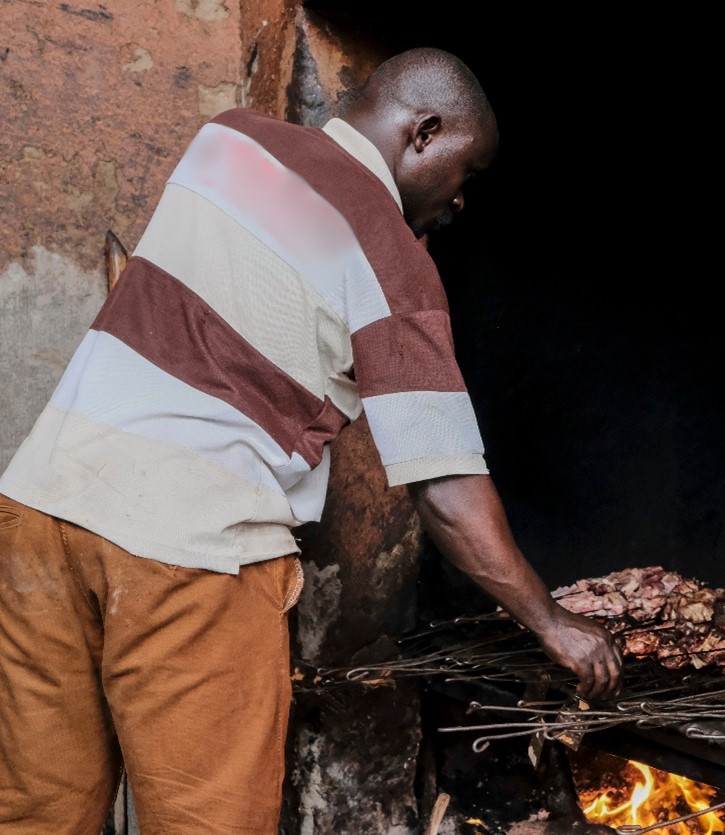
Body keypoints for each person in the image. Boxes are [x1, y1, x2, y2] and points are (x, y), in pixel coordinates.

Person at [0, 47, 622, 834]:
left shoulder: (225, 141)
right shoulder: (395, 265)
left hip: (40, 511)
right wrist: (551, 621)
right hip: (190, 554)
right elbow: (443, 488)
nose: (461, 203)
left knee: (35, 812)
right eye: (467, 174)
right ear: (423, 132)